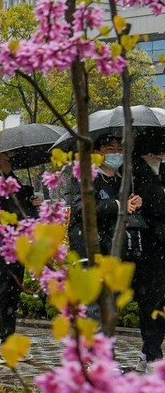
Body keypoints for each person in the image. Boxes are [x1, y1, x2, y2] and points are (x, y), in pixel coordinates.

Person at [0, 152, 39, 361]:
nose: (11, 162)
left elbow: (23, 212)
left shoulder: (15, 182)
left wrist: (32, 203)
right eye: (6, 159)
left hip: (18, 246)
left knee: (13, 294)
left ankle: (8, 342)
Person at [67, 134, 131, 258]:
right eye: (110, 149)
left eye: (120, 149)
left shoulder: (122, 179)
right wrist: (118, 205)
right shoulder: (85, 177)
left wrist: (133, 202)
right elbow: (82, 208)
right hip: (92, 246)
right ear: (96, 153)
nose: (117, 154)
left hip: (116, 246)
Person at [131, 142, 165, 372]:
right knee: (149, 300)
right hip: (147, 247)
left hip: (162, 246)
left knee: (160, 301)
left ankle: (149, 351)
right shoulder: (133, 174)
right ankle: (153, 353)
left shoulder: (162, 171)